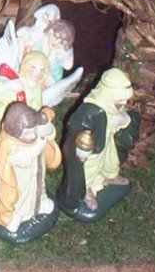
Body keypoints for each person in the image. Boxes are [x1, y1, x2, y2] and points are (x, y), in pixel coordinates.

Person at [56, 68, 140, 217]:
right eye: (120, 99)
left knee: (111, 161)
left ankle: (110, 177)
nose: (122, 102)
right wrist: (82, 147)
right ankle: (86, 190)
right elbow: (76, 127)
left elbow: (117, 117)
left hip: (105, 140)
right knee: (89, 169)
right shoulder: (90, 109)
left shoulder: (112, 105)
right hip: (90, 149)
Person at [0, 103, 61, 233]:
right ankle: (15, 214)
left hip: (36, 172)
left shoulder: (35, 132)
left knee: (39, 187)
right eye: (27, 133)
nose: (32, 135)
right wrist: (38, 145)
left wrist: (46, 128)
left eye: (33, 130)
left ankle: (39, 203)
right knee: (21, 198)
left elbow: (49, 134)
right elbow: (18, 158)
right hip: (20, 178)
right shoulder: (8, 143)